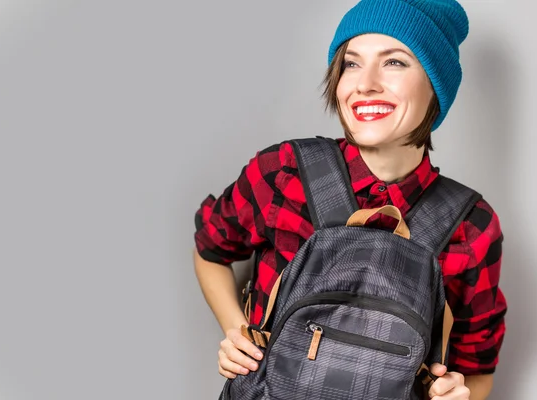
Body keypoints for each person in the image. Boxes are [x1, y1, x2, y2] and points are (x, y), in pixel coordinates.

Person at [192, 0, 507, 398]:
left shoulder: (471, 225)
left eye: (394, 62)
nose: (365, 83)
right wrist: (236, 331)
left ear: (435, 83)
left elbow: (477, 371)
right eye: (351, 63)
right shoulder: (283, 172)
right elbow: (210, 250)